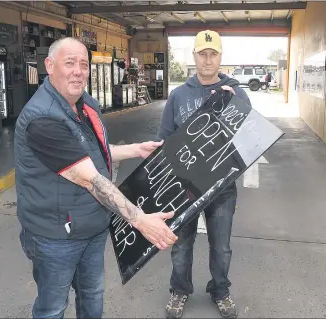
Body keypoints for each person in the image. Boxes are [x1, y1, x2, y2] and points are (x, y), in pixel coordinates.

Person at [14, 37, 178, 319]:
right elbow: (90, 178)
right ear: (49, 67)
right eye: (70, 63)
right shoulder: (42, 119)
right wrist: (140, 220)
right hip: (56, 236)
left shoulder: (85, 104)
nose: (78, 71)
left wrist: (136, 150)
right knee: (52, 308)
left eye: (84, 64)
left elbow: (93, 154)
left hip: (91, 226)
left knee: (92, 297)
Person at [157, 30, 251, 319]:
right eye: (202, 54)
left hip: (221, 188)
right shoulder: (178, 95)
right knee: (181, 245)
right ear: (195, 57)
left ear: (221, 57)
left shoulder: (237, 92)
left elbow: (248, 138)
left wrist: (236, 107)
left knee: (221, 247)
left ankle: (220, 291)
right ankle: (179, 290)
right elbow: (165, 139)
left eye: (213, 54)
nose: (208, 60)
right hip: (184, 187)